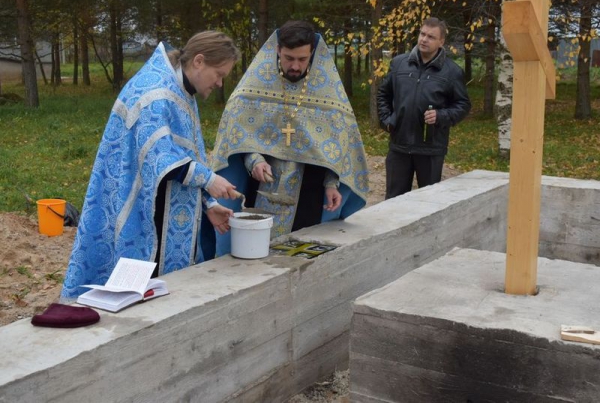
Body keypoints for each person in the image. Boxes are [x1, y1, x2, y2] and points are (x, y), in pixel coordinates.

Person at [60, 31, 240, 300]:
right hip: (139, 205)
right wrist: (210, 180)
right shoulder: (156, 91)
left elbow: (187, 152)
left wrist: (208, 205)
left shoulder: (180, 87)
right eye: (219, 74)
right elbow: (160, 157)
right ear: (199, 61)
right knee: (133, 295)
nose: (220, 83)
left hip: (164, 205)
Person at [209, 20, 369, 256]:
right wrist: (254, 160)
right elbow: (237, 136)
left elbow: (337, 143)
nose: (295, 66)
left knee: (303, 258)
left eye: (302, 59)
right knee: (253, 256)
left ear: (312, 53)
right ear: (277, 50)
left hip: (309, 191)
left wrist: (332, 183)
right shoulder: (253, 87)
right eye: (288, 58)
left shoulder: (327, 91)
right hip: (260, 189)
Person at [377, 17, 471, 199]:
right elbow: (383, 94)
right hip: (399, 147)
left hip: (431, 150)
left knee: (428, 205)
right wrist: (387, 121)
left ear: (441, 42)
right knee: (393, 203)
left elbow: (463, 105)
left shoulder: (452, 72)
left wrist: (441, 116)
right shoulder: (399, 64)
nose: (424, 39)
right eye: (422, 34)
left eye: (431, 37)